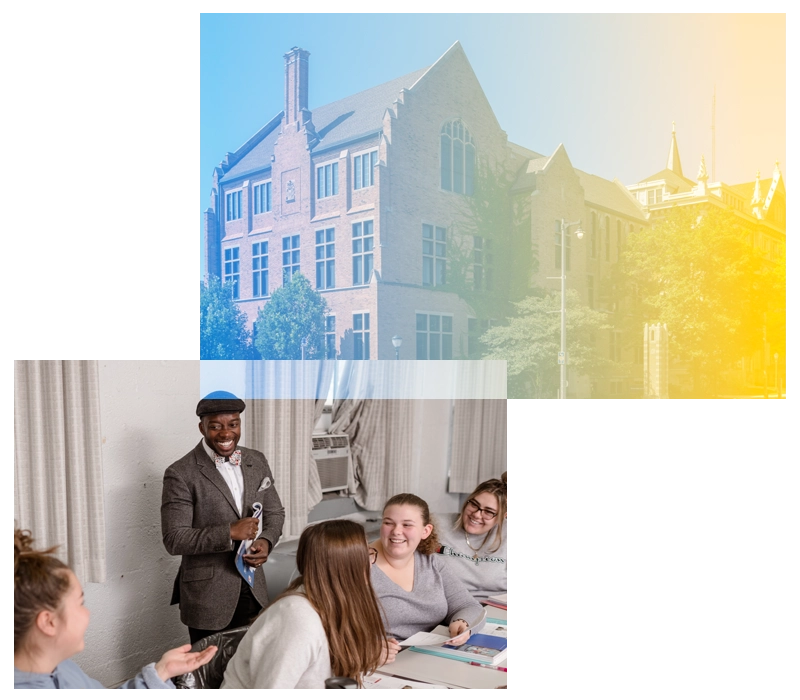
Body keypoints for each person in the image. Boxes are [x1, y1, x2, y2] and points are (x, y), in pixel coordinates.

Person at [13, 529, 217, 690]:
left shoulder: (61, 669)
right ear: (49, 622)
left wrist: (161, 672)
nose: (88, 613)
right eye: (80, 603)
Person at [161, 391, 286, 644]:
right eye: (215, 426)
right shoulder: (180, 473)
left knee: (250, 670)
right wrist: (229, 532)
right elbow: (174, 539)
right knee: (211, 677)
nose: (226, 433)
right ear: (202, 427)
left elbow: (274, 512)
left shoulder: (256, 460)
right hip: (208, 597)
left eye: (233, 424)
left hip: (254, 588)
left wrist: (267, 541)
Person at [222, 520, 397, 690]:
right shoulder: (298, 618)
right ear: (347, 566)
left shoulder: (330, 601)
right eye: (366, 554)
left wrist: (366, 656)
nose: (371, 563)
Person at [370, 493, 485, 642]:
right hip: (381, 660)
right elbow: (337, 628)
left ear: (425, 531)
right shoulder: (359, 564)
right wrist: (374, 650)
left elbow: (469, 606)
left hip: (429, 653)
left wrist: (463, 624)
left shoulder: (430, 562)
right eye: (388, 523)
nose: (396, 531)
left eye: (407, 525)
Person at [436, 472, 509, 600]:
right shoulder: (435, 524)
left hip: (496, 610)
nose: (476, 514)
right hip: (446, 605)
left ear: (503, 516)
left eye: (488, 512)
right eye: (474, 504)